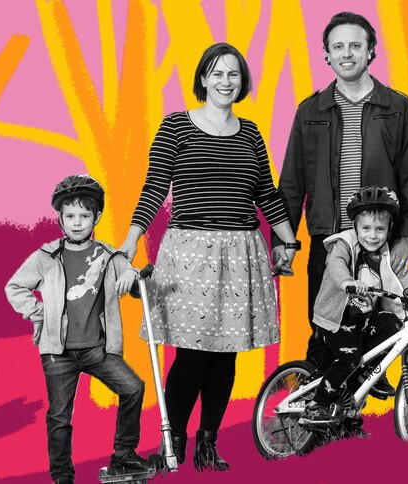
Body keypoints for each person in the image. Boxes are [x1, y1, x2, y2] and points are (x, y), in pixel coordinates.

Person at [117, 43, 298, 472]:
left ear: (242, 81)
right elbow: (154, 188)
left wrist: (289, 241)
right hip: (190, 253)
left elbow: (265, 194)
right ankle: (171, 444)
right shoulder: (176, 127)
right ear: (202, 79)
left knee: (225, 355)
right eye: (216, 73)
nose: (225, 81)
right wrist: (130, 240)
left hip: (241, 253)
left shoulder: (251, 132)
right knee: (192, 354)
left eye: (233, 74)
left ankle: (208, 445)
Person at [272, 12, 408, 399]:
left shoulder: (399, 109)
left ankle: (348, 408)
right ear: (326, 55)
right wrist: (283, 241)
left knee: (380, 329)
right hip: (330, 241)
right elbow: (291, 184)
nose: (347, 53)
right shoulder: (310, 112)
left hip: (379, 243)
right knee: (328, 331)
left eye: (355, 45)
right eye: (338, 46)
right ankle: (321, 419)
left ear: (371, 51)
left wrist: (406, 237)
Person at [5, 175, 148, 484]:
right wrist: (40, 314)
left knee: (133, 388)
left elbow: (137, 284)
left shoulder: (111, 256)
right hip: (59, 353)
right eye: (70, 216)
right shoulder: (45, 256)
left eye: (85, 215)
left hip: (98, 349)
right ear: (60, 218)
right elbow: (15, 287)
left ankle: (123, 455)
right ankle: (62, 476)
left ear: (96, 217)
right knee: (59, 416)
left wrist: (132, 279)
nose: (77, 222)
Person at [299, 186, 408, 428]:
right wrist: (347, 282)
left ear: (389, 230)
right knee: (350, 357)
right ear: (355, 227)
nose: (372, 235)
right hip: (335, 320)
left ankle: (352, 407)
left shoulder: (386, 255)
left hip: (362, 320)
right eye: (365, 228)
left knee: (391, 323)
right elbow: (336, 265)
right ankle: (317, 404)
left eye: (379, 229)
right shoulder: (345, 244)